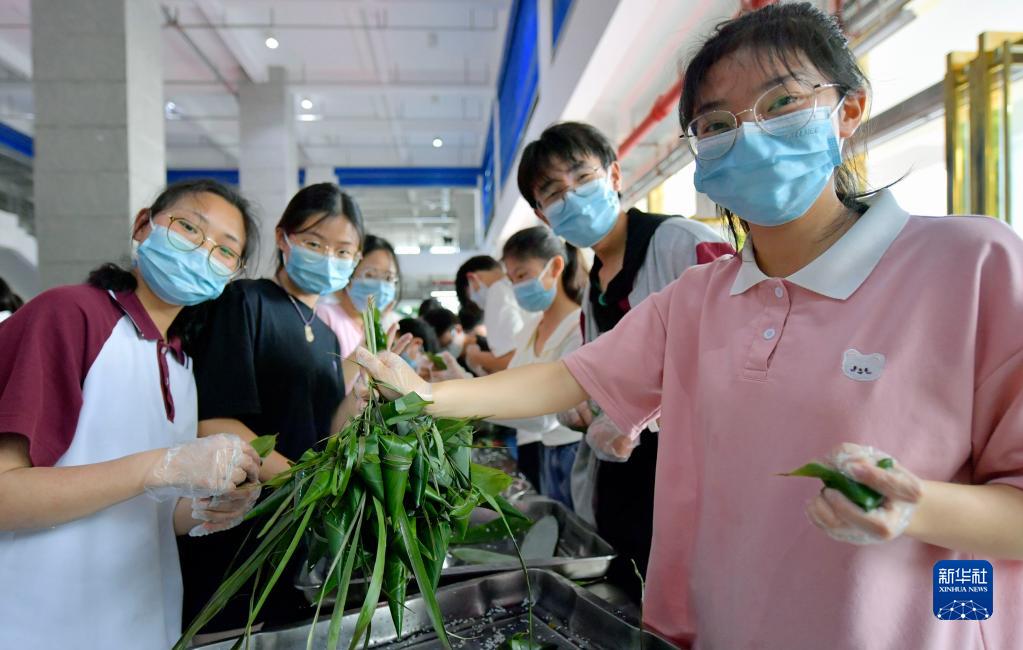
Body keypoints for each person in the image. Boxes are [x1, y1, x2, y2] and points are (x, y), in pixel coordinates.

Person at [356, 4, 1023, 648]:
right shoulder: (699, 298)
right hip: (722, 624)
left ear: (848, 109)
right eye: (717, 123)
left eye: (781, 103)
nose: (750, 135)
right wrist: (428, 395)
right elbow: (569, 377)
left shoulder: (970, 265)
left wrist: (919, 508)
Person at [0, 179, 262, 649]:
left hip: (143, 625)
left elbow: (153, 513)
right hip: (41, 624)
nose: (203, 252)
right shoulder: (71, 315)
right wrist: (156, 467)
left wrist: (204, 508)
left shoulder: (181, 367)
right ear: (144, 225)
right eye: (189, 228)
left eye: (225, 251)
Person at [516, 121, 732, 596]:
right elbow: (602, 378)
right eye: (553, 192)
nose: (572, 197)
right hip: (627, 492)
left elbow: (740, 359)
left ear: (614, 175)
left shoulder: (681, 244)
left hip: (693, 486)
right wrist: (585, 409)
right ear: (542, 215)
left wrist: (645, 414)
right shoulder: (592, 291)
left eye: (582, 177)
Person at [178, 183, 371, 633]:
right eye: (314, 244)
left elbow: (325, 427)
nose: (329, 258)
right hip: (240, 521)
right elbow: (216, 420)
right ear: (283, 238)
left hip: (296, 527)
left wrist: (362, 396)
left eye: (343, 251)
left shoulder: (326, 333)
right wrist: (302, 481)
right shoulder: (244, 302)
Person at [499, 226, 589, 507]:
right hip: (546, 449)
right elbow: (510, 386)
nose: (517, 287)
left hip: (575, 450)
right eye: (511, 279)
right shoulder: (530, 329)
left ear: (555, 267)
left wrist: (470, 405)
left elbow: (547, 414)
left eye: (522, 275)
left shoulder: (580, 327)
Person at [317, 234, 403, 360]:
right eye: (369, 275)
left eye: (388, 278)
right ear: (349, 274)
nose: (380, 286)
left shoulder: (376, 327)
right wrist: (368, 346)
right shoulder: (324, 316)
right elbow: (327, 373)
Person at [456, 255, 538, 375]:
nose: (478, 304)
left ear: (472, 278)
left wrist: (475, 357)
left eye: (472, 299)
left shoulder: (495, 292)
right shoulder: (513, 287)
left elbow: (514, 360)